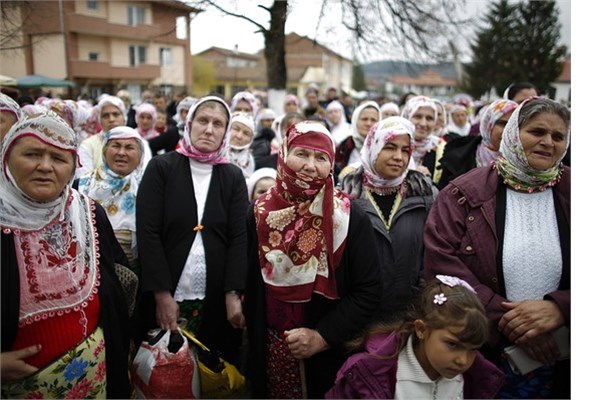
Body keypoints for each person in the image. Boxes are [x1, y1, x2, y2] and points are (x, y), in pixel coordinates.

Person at [423, 97, 570, 398]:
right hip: (485, 349)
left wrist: (561, 308)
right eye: (537, 132)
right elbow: (441, 261)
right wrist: (510, 321)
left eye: (558, 136)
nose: (547, 142)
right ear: (514, 133)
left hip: (566, 352)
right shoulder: (463, 193)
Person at [244, 120, 382, 398]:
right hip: (270, 349)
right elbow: (249, 282)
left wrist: (322, 337)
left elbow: (369, 290)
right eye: (301, 154)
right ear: (283, 155)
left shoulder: (350, 218)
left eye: (321, 158)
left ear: (331, 165)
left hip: (328, 355)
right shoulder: (257, 213)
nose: (310, 165)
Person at [1, 111, 131, 398]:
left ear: (73, 167)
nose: (45, 167)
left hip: (96, 378)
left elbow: (115, 282)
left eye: (59, 159)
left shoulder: (89, 213)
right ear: (6, 157)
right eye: (32, 154)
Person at [135, 96, 248, 366]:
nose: (209, 129)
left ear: (226, 131)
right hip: (169, 291)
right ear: (189, 124)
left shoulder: (232, 176)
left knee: (211, 370)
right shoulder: (162, 168)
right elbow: (147, 232)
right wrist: (162, 295)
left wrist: (233, 293)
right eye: (203, 121)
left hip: (215, 295)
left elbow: (239, 237)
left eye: (218, 124)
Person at [325, 276, 505, 399]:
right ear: (421, 329)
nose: (463, 360)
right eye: (452, 344)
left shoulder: (476, 378)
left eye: (473, 349)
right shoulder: (365, 373)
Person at [339, 116, 436, 322]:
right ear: (373, 147)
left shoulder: (425, 195)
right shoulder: (347, 196)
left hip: (411, 314)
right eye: (390, 147)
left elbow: (434, 253)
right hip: (359, 315)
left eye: (404, 150)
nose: (399, 157)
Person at [78, 126, 146, 276]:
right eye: (115, 146)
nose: (121, 153)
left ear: (140, 155)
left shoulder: (146, 187)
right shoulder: (82, 185)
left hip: (134, 270)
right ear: (104, 150)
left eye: (129, 147)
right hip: (89, 269)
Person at [437, 99, 518, 190]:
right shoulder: (459, 157)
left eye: (515, 125)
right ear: (488, 125)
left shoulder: (526, 162)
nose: (509, 131)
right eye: (503, 124)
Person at [78, 95, 151, 177]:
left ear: (124, 117)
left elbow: (144, 175)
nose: (111, 119)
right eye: (105, 116)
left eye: (116, 114)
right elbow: (84, 178)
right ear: (99, 120)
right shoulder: (88, 145)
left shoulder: (140, 143)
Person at [400, 95, 441, 178]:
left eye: (429, 118)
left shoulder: (442, 149)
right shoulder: (393, 145)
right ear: (406, 117)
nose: (423, 123)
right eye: (418, 117)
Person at [335, 100, 380, 172]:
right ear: (355, 121)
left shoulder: (383, 147)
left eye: (373, 120)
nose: (368, 123)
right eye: (364, 119)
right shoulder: (343, 147)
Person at [227, 111, 256, 178]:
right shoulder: (217, 153)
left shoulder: (249, 160)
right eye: (236, 129)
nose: (239, 136)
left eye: (246, 133)